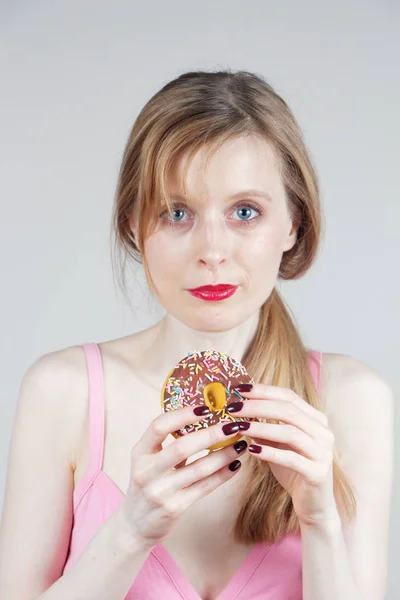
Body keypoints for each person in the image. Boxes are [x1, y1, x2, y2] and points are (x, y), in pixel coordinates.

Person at [0, 69, 393, 600]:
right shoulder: (63, 392)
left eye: (245, 212)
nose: (212, 250)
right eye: (177, 212)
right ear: (134, 226)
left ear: (293, 224)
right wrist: (129, 529)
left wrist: (320, 521)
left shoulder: (352, 401)